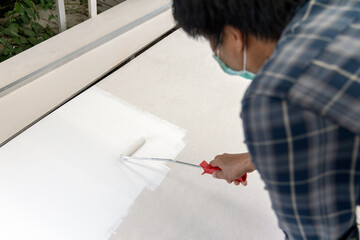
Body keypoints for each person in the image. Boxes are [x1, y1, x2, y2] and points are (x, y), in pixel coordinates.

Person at [172, 0, 360, 239]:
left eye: (212, 42)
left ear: (233, 36)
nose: (216, 55)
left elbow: (321, 235)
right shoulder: (339, 6)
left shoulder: (279, 97)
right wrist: (254, 159)